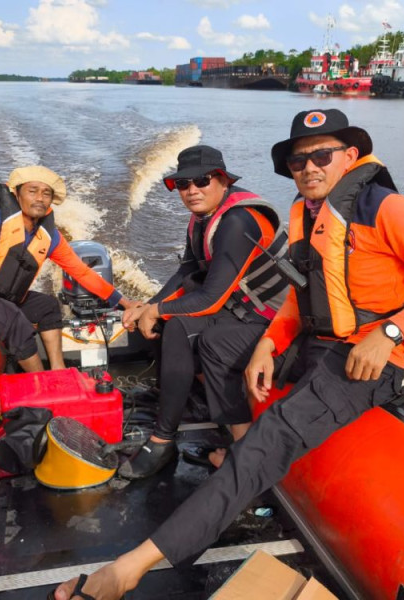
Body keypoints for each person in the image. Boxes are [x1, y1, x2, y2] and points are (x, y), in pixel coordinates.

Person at [53, 109, 404, 599]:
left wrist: (391, 333)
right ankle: (238, 456)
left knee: (273, 435)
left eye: (321, 155)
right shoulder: (308, 212)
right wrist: (267, 344)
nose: (309, 168)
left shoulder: (387, 208)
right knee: (219, 348)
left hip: (369, 357)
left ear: (350, 156)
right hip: (315, 341)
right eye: (299, 160)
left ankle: (129, 568)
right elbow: (303, 298)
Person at [117, 145, 289, 480]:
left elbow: (209, 298)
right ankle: (181, 398)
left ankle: (163, 439)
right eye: (183, 184)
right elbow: (186, 271)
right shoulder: (202, 218)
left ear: (223, 181)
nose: (192, 190)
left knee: (182, 328)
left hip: (275, 320)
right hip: (241, 307)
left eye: (202, 181)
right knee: (167, 323)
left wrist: (158, 310)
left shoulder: (238, 221)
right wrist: (148, 306)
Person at [0, 165, 137, 371]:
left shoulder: (50, 237)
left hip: (2, 298)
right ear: (17, 194)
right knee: (13, 319)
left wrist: (124, 303)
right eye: (32, 191)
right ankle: (41, 380)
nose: (40, 198)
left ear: (51, 200)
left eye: (46, 193)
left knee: (48, 306)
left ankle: (58, 370)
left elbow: (81, 272)